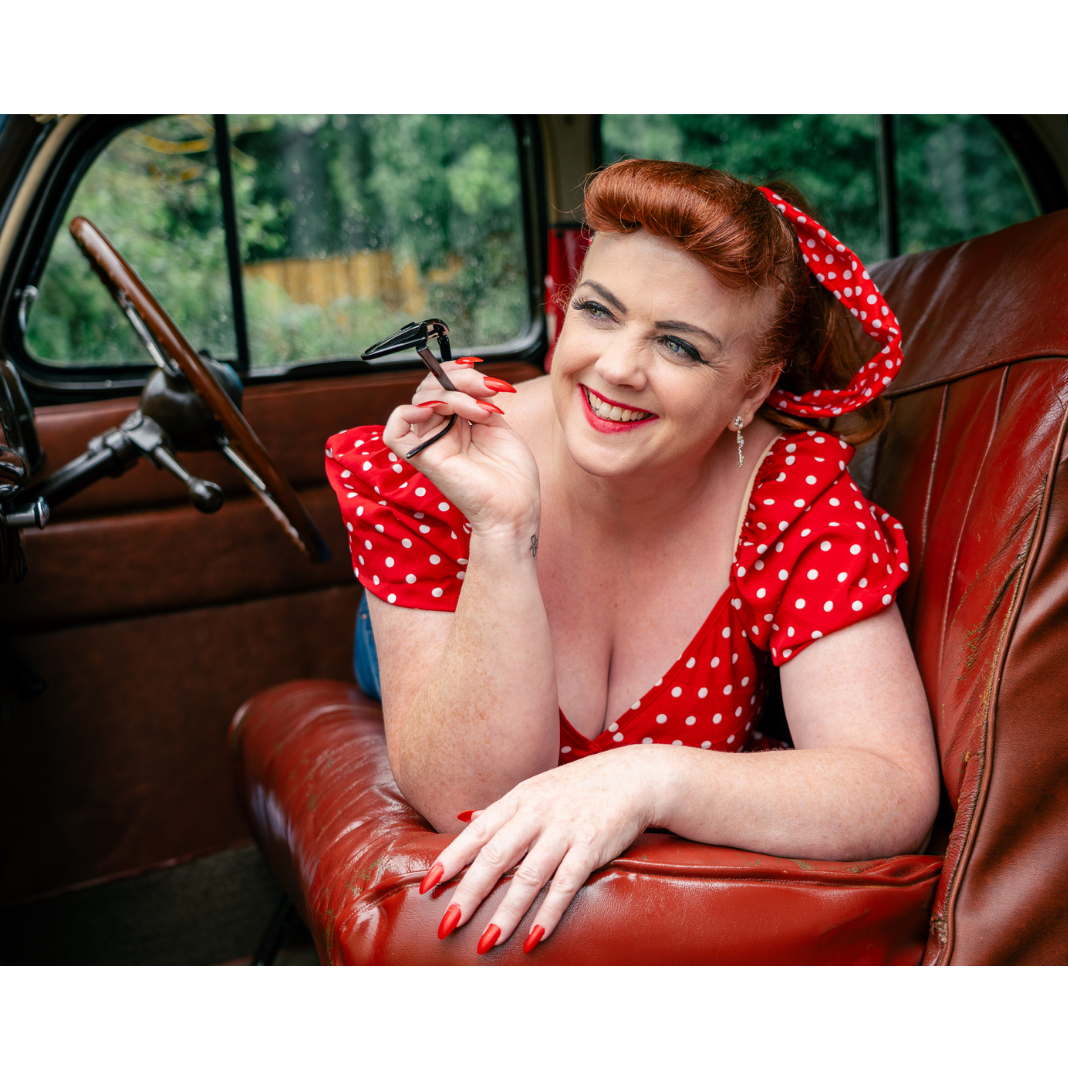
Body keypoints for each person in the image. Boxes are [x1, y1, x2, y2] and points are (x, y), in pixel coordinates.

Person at [325, 159, 938, 957]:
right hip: (417, 619)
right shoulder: (434, 472)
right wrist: (502, 534)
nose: (618, 368)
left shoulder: (793, 500)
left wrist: (649, 776)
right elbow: (470, 800)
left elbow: (890, 787)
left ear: (753, 390)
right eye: (599, 312)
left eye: (680, 346)